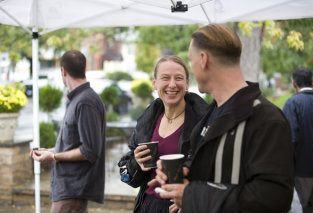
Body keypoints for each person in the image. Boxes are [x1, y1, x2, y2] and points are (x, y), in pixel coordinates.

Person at [152, 24, 295, 213]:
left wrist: (192, 195)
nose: (192, 70)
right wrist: (182, 171)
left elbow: (274, 198)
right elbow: (213, 168)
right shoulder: (211, 114)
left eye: (190, 60)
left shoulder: (267, 119)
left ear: (203, 59)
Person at [118, 55, 208, 213]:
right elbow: (124, 176)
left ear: (187, 83)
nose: (172, 84)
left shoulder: (202, 123)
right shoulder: (148, 121)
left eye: (179, 78)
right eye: (165, 78)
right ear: (155, 83)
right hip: (147, 206)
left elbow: (215, 174)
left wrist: (191, 199)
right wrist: (135, 163)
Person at [31, 50, 106, 213]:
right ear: (84, 69)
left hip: (74, 190)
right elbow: (73, 143)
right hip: (67, 190)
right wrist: (49, 151)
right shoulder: (78, 99)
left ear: (63, 71)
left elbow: (90, 151)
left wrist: (52, 156)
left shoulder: (86, 101)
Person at [283, 67, 313, 213]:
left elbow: (289, 139)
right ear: (312, 82)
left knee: (309, 207)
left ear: (294, 84)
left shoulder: (292, 104)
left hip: (303, 169)